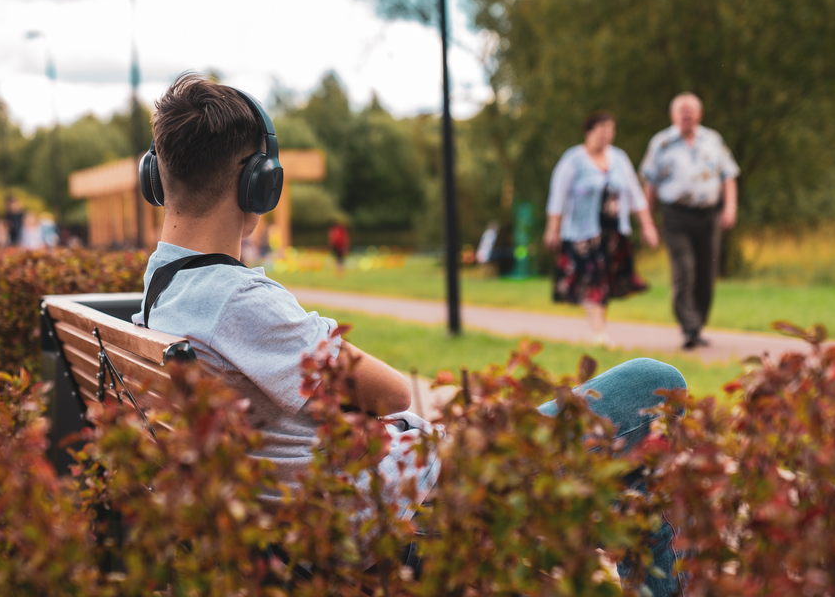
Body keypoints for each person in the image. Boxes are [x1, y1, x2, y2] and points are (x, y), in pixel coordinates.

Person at [132, 74, 687, 595]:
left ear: (156, 177)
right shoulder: (239, 302)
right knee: (657, 384)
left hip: (348, 505)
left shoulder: (163, 285)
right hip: (410, 507)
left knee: (632, 484)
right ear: (260, 184)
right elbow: (392, 392)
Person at [543, 111, 659, 346]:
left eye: (611, 130)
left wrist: (647, 225)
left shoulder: (619, 158)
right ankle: (598, 332)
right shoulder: (573, 160)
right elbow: (557, 197)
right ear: (589, 132)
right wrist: (552, 229)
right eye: (602, 130)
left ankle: (599, 329)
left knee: (605, 281)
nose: (607, 135)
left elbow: (635, 194)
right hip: (583, 233)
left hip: (613, 232)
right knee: (592, 279)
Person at [639, 93, 740, 350]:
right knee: (684, 271)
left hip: (707, 215)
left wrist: (730, 206)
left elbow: (728, 175)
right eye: (681, 111)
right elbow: (649, 184)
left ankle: (698, 325)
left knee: (707, 273)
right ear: (673, 116)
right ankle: (689, 327)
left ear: (699, 115)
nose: (686, 115)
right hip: (676, 215)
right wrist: (647, 222)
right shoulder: (661, 143)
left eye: (691, 110)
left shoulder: (713, 140)